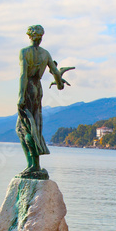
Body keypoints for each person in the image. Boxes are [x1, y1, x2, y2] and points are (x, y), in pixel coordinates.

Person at [16, 24, 74, 178]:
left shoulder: (24, 52)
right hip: (38, 88)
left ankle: (32, 165)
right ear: (41, 37)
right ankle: (35, 165)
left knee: (24, 129)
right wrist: (60, 84)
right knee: (34, 125)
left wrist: (21, 95)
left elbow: (23, 75)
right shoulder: (45, 54)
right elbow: (55, 72)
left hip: (28, 87)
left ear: (29, 36)